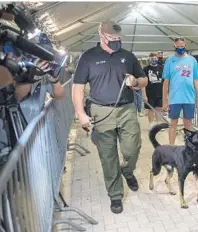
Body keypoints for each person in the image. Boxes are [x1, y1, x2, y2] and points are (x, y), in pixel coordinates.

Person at [72, 21, 148, 214]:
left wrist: (136, 81)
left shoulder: (128, 56)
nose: (116, 42)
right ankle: (115, 195)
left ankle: (127, 171)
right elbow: (78, 87)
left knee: (133, 148)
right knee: (108, 156)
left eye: (118, 39)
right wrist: (81, 114)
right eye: (112, 39)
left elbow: (144, 79)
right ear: (101, 35)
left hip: (127, 109)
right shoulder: (88, 58)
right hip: (100, 112)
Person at [162, 37, 198, 145]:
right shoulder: (170, 61)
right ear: (174, 47)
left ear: (185, 46)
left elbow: (196, 79)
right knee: (173, 124)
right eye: (178, 47)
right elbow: (166, 82)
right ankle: (171, 147)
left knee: (188, 124)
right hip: (174, 98)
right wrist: (165, 101)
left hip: (189, 98)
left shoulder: (192, 60)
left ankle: (188, 147)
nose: (180, 48)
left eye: (182, 46)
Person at [142, 52, 164, 129]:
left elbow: (165, 81)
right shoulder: (145, 69)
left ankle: (158, 124)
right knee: (150, 109)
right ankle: (151, 124)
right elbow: (143, 82)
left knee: (159, 109)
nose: (154, 60)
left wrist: (166, 94)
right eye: (152, 59)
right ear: (149, 59)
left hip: (160, 92)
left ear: (157, 59)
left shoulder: (162, 68)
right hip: (150, 93)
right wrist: (144, 94)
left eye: (155, 58)